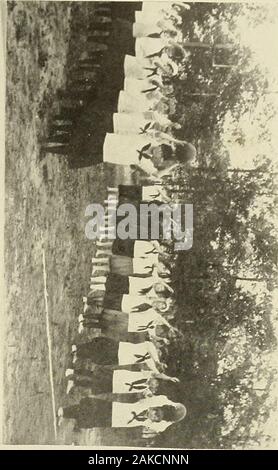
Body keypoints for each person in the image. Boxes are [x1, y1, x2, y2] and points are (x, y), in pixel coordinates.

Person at [58, 395, 186, 432]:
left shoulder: (156, 424)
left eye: (156, 418)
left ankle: (66, 414)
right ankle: (65, 411)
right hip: (116, 409)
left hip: (116, 421)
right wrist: (175, 409)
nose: (154, 416)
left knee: (90, 419)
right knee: (90, 409)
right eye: (156, 412)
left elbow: (164, 425)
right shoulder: (151, 404)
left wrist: (173, 418)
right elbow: (163, 400)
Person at [71, 336, 164, 372]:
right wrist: (157, 361)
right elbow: (151, 348)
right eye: (158, 351)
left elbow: (155, 371)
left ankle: (79, 355)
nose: (157, 353)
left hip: (120, 359)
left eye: (159, 354)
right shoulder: (148, 346)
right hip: (120, 348)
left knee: (99, 358)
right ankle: (78, 347)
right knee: (99, 347)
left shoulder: (148, 360)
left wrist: (162, 371)